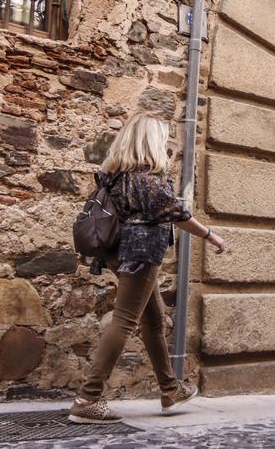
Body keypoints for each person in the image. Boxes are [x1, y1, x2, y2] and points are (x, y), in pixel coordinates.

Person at [69, 112, 229, 424]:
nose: (166, 144)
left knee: (153, 320)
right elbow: (177, 213)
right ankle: (87, 398)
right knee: (125, 321)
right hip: (140, 254)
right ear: (151, 142)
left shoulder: (117, 176)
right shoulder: (145, 179)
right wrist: (211, 236)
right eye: (162, 138)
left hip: (121, 253)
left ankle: (170, 389)